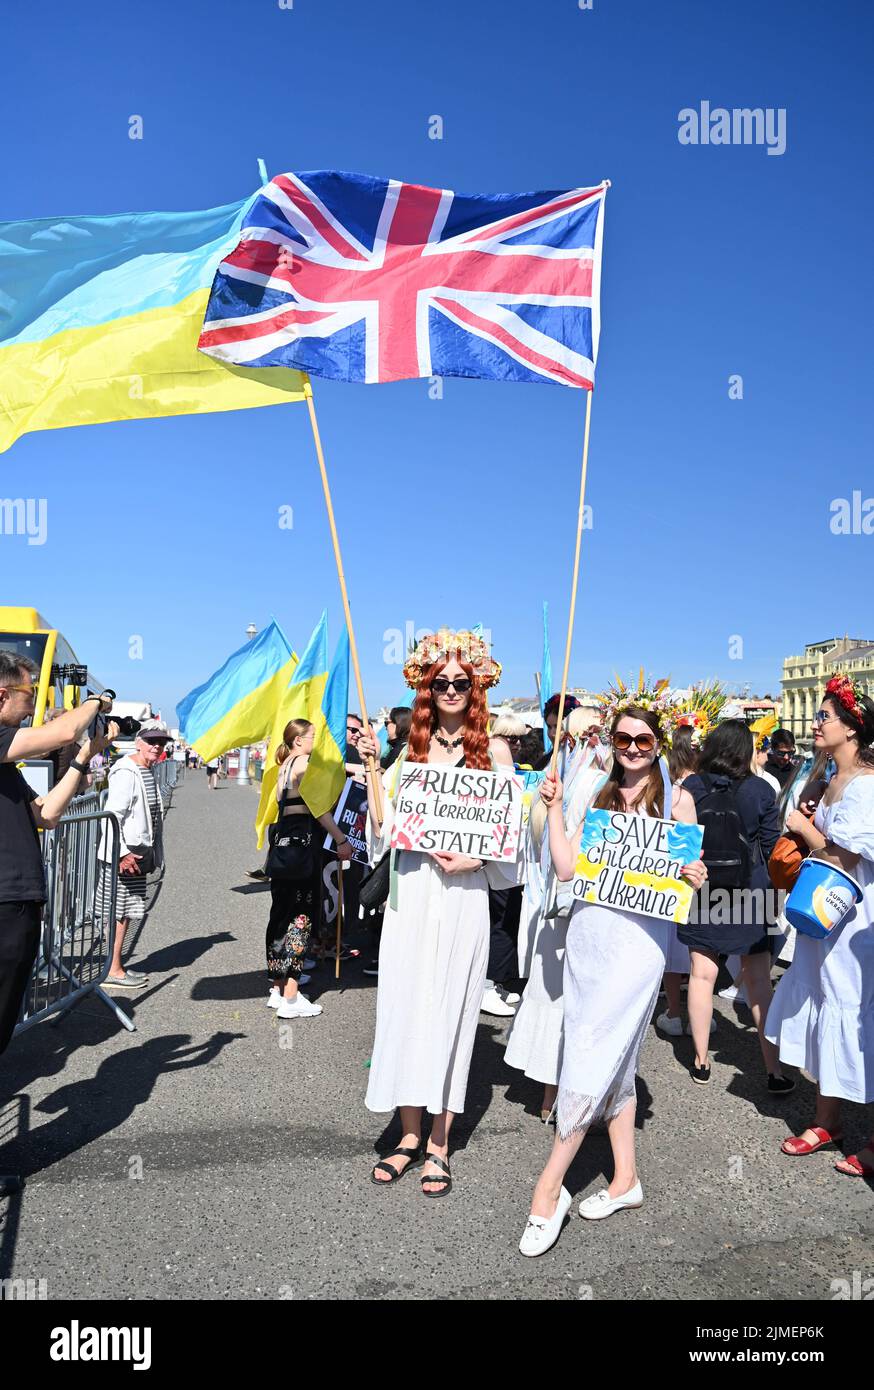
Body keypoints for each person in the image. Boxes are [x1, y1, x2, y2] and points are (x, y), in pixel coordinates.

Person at [519, 686, 707, 1256]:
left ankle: (547, 1191)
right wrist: (553, 809)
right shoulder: (600, 798)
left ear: (658, 744)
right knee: (612, 1060)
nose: (630, 747)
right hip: (589, 941)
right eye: (621, 737)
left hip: (636, 950)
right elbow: (567, 865)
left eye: (642, 739)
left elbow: (688, 881)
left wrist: (695, 876)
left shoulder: (677, 802)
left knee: (588, 1056)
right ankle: (625, 1180)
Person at [358, 629, 515, 1197]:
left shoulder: (494, 751)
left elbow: (508, 839)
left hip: (463, 895)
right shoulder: (411, 750)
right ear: (427, 689)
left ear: (476, 688)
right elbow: (385, 828)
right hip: (413, 894)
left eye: (461, 681)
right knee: (404, 1006)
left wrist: (472, 860)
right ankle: (406, 1136)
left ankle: (440, 1144)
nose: (451, 689)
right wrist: (375, 769)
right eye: (440, 681)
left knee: (450, 1010)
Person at [766, 675, 874, 1177]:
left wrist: (802, 828)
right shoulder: (830, 775)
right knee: (830, 1003)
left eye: (824, 715)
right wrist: (812, 787)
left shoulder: (868, 784)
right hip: (825, 915)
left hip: (855, 920)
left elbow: (845, 853)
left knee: (856, 1013)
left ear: (852, 729)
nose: (814, 722)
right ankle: (826, 1118)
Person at [0, 652, 116, 1054]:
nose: (33, 705)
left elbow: (46, 814)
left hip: (18, 900)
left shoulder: (5, 766)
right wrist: (96, 701)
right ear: (2, 695)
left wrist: (85, 757)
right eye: (28, 694)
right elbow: (65, 732)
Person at [679, 720, 790, 1091]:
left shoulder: (691, 786)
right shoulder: (761, 789)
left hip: (702, 886)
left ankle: (701, 1061)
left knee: (701, 976)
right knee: (759, 982)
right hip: (751, 888)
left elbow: (678, 840)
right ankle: (774, 1070)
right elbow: (773, 847)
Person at [265, 720, 352, 1019]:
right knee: (300, 920)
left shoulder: (284, 766)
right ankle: (292, 997)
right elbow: (318, 808)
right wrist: (341, 838)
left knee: (280, 918)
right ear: (299, 740)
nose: (316, 741)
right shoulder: (303, 762)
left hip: (282, 850)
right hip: (303, 849)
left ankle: (277, 989)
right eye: (313, 736)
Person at [97, 719, 173, 988]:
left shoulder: (145, 769)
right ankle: (112, 970)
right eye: (151, 741)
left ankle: (115, 966)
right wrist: (120, 854)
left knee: (126, 911)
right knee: (119, 912)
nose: (156, 746)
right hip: (127, 855)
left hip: (137, 852)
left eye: (161, 742)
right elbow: (112, 816)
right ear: (138, 743)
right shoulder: (127, 772)